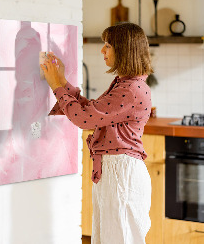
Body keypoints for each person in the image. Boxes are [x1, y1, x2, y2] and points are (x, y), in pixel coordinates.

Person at [40, 22, 153, 244]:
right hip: (115, 171)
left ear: (124, 49)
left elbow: (84, 118)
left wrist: (56, 86)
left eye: (108, 45)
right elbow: (92, 111)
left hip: (121, 173)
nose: (102, 50)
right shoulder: (126, 84)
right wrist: (62, 81)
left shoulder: (130, 89)